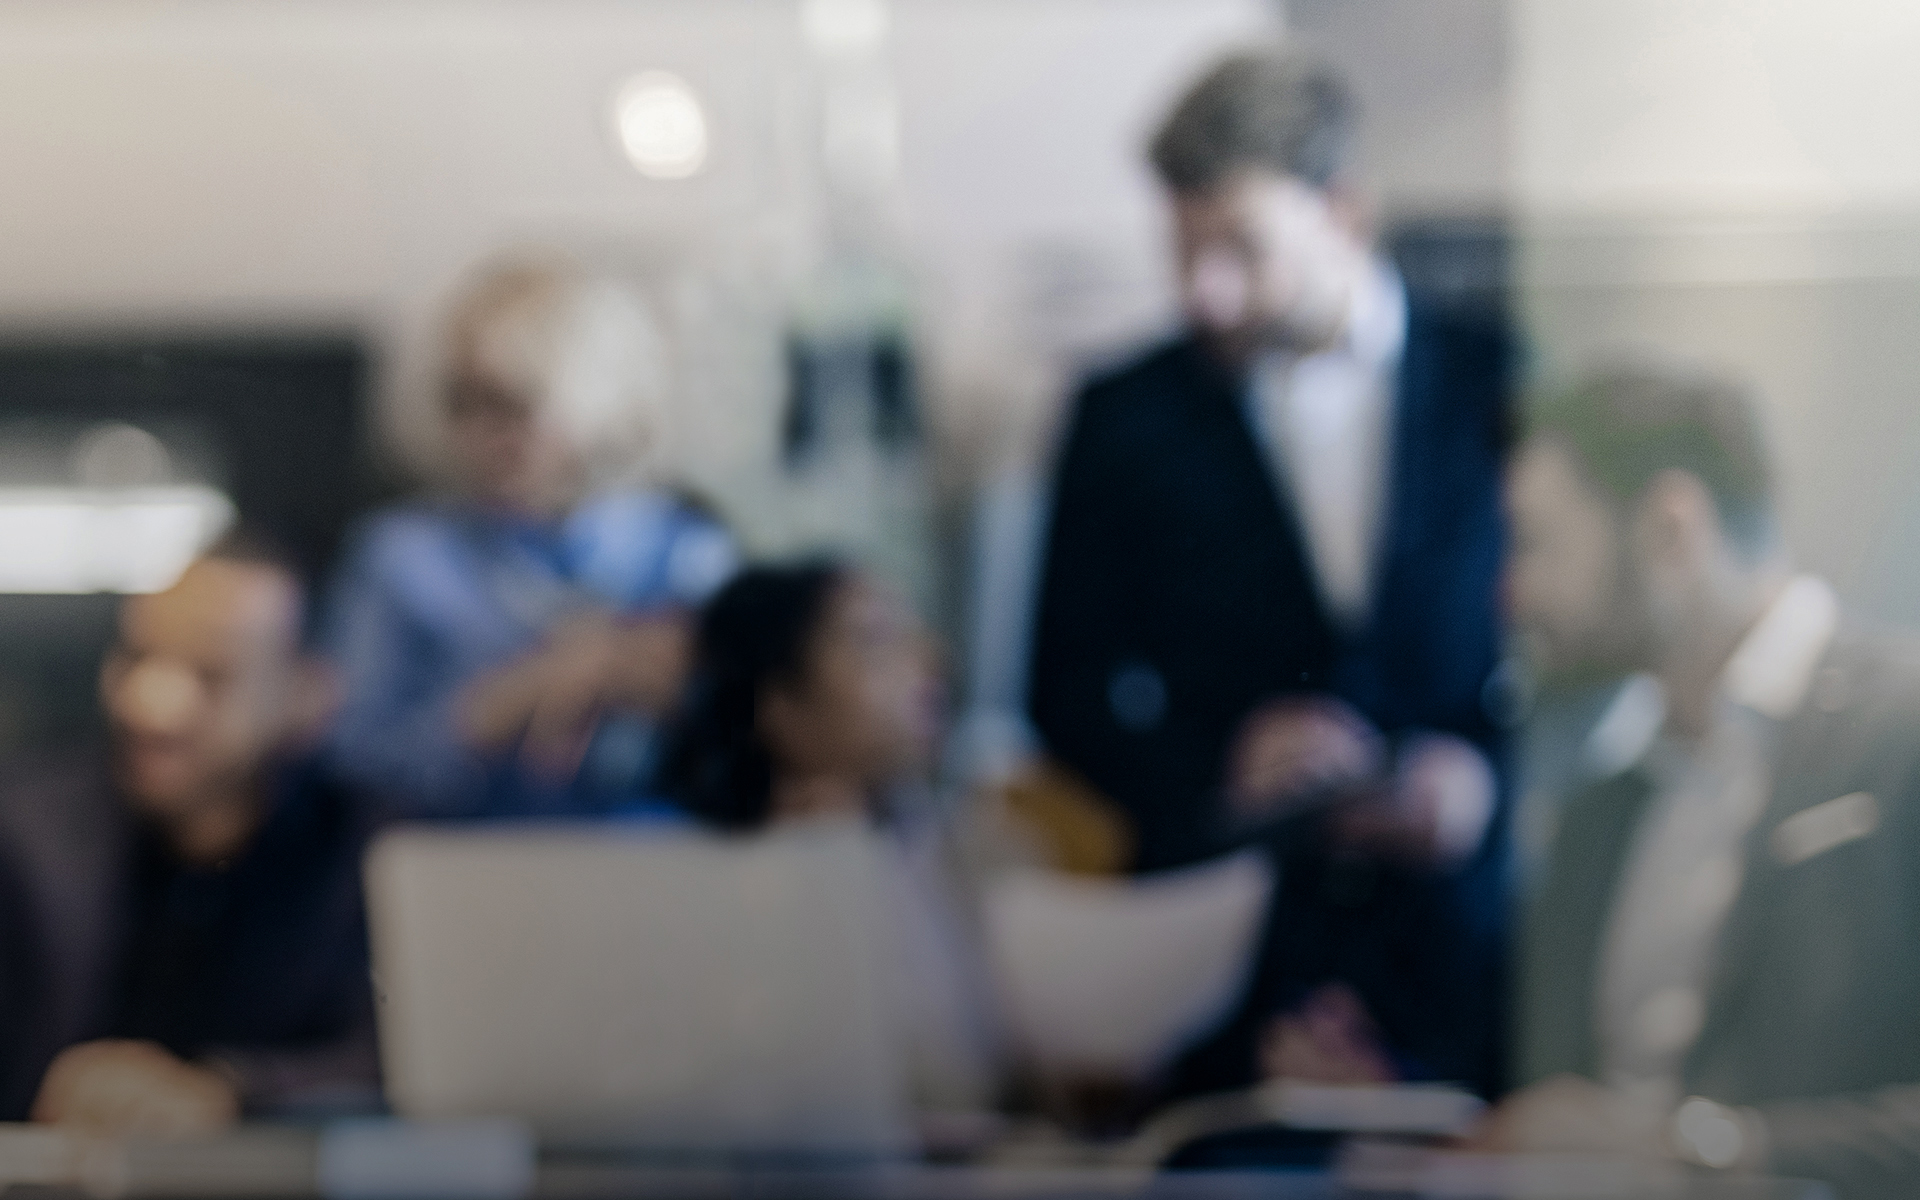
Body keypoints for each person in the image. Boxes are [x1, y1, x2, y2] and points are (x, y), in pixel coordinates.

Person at [1027, 43, 1511, 1096]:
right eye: (1184, 252)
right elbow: (1058, 693)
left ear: (1344, 211)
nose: (1205, 294)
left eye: (1241, 249)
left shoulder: (1497, 381)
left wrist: (1477, 782)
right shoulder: (1122, 419)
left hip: (1458, 961)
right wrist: (1220, 767)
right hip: (1218, 973)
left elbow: (1573, 666)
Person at [1477, 366, 1920, 1200]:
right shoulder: (1604, 801)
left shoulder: (1903, 732)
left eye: (1535, 543)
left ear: (1670, 527)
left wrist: (1702, 1153)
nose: (1510, 591)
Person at [323, 260, 736, 821]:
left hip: (661, 879)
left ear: (592, 397)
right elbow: (351, 762)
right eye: (459, 402)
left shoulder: (685, 555)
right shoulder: (404, 557)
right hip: (463, 880)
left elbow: (747, 750)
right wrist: (507, 700)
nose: (478, 434)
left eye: (512, 405)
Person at [0, 532, 377, 1133]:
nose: (151, 704)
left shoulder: (375, 856)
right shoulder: (26, 833)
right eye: (136, 658)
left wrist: (233, 1089)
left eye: (212, 675)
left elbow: (406, 1061)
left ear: (307, 696)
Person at [653, 561, 1000, 1115]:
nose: (926, 662)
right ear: (782, 707)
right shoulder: (750, 895)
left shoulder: (914, 836)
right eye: (874, 641)